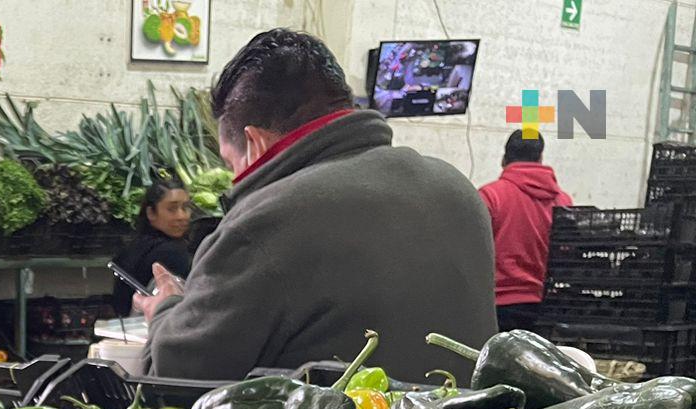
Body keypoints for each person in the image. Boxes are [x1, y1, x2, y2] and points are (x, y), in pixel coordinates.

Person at [140, 29, 497, 383]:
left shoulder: (267, 221)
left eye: (231, 163)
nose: (234, 178)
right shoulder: (458, 189)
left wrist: (165, 309)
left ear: (255, 142)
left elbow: (175, 380)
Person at [479, 130, 572, 331]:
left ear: (504, 159)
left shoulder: (490, 196)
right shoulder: (563, 202)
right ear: (540, 158)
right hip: (545, 309)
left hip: (496, 308)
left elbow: (470, 251)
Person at [112, 177, 195, 314]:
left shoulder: (136, 246)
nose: (182, 216)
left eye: (185, 208)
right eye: (172, 209)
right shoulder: (170, 253)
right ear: (151, 213)